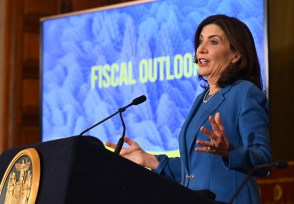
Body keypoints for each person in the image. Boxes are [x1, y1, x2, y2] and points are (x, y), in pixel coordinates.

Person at [105, 14, 272, 204]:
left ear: (236, 54)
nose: (201, 49)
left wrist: (228, 151)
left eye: (213, 42)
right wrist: (147, 159)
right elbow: (190, 170)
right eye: (200, 42)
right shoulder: (202, 99)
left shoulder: (245, 93)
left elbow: (263, 161)